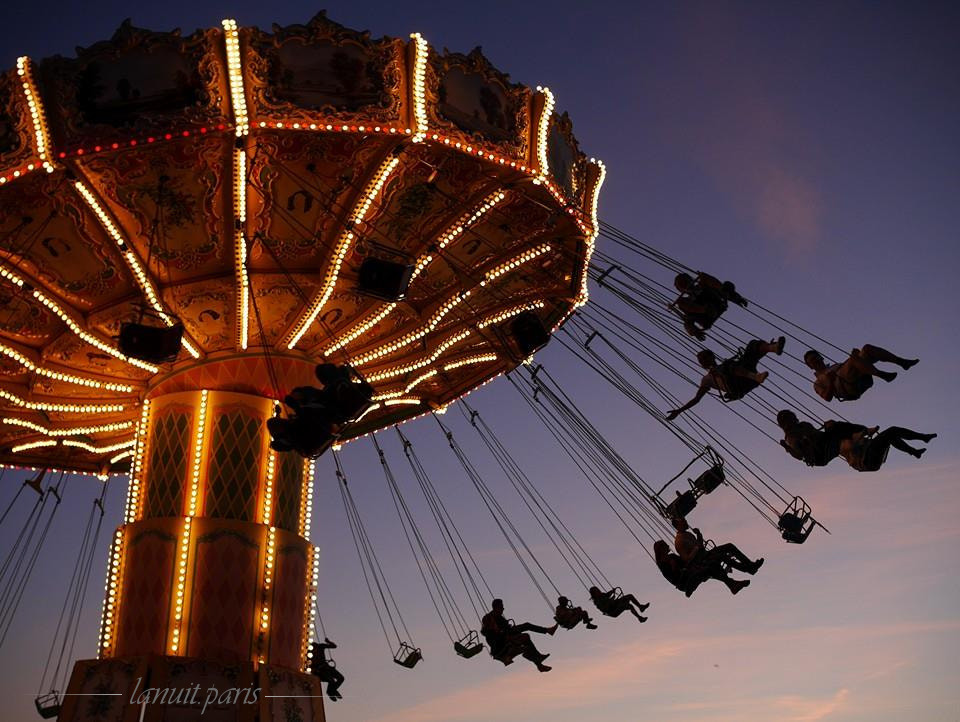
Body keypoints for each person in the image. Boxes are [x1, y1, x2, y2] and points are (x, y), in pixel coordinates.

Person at [666, 337, 785, 419]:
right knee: (726, 366)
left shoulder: (724, 366)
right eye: (701, 360)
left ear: (712, 357)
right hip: (736, 386)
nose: (703, 362)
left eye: (704, 358)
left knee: (752, 346)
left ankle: (773, 348)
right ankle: (755, 377)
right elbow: (697, 399)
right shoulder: (707, 379)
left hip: (742, 376)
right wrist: (679, 411)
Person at [804, 345, 918, 402]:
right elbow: (827, 398)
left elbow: (847, 366)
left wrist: (856, 356)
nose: (816, 361)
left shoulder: (835, 366)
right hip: (846, 388)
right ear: (810, 366)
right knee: (854, 359)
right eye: (812, 361)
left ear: (821, 358)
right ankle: (881, 374)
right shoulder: (817, 382)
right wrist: (830, 382)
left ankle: (901, 362)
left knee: (867, 349)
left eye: (817, 358)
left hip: (857, 377)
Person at [653, 541, 751, 597]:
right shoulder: (663, 565)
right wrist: (674, 567)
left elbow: (686, 563)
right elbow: (674, 578)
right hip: (684, 582)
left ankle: (732, 585)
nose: (668, 547)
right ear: (661, 549)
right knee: (710, 567)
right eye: (666, 546)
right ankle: (733, 584)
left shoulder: (672, 557)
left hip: (690, 573)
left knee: (712, 565)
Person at [480, 599, 555, 671]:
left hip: (506, 636)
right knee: (525, 635)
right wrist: (502, 631)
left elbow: (505, 628)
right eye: (501, 607)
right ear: (496, 607)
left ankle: (538, 663)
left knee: (526, 632)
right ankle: (547, 632)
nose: (503, 609)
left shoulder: (500, 618)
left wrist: (509, 629)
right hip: (500, 644)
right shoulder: (489, 618)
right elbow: (489, 633)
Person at [672, 517, 763, 575]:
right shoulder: (679, 541)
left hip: (705, 555)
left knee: (729, 546)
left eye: (685, 520)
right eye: (683, 521)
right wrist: (696, 548)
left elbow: (700, 546)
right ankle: (749, 568)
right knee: (722, 555)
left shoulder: (688, 534)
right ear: (677, 525)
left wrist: (699, 535)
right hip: (701, 561)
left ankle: (750, 565)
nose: (685, 521)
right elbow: (686, 559)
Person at [671, 272, 748, 341]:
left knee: (721, 284)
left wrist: (736, 297)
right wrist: (695, 332)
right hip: (705, 315)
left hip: (717, 303)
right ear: (681, 290)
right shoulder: (684, 301)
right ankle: (706, 309)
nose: (686, 285)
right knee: (681, 303)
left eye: (686, 281)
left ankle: (734, 297)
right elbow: (687, 321)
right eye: (682, 285)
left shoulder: (703, 284)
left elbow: (710, 282)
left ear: (691, 280)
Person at [838, 426, 937, 472]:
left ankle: (915, 451)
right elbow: (851, 447)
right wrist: (865, 432)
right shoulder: (842, 444)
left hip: (870, 458)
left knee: (891, 436)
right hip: (867, 460)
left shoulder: (851, 438)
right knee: (892, 431)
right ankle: (923, 439)